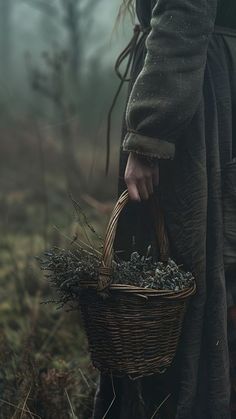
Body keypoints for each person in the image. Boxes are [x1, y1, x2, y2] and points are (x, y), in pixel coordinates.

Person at [93, 0, 236, 418]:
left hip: (195, 108)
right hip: (206, 89)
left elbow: (184, 14)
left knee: (194, 267)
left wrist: (150, 133)